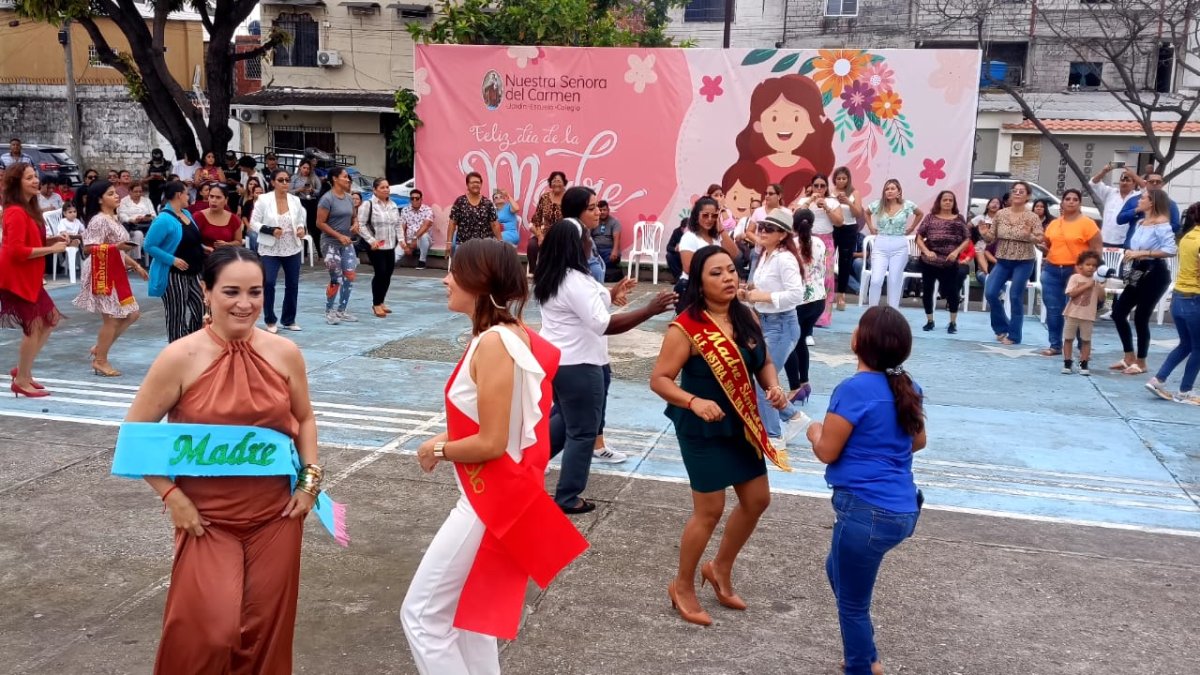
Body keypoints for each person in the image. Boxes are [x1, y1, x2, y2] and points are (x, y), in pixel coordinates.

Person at [120, 246, 334, 674]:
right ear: (207, 291)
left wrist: (310, 481)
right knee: (210, 632)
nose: (245, 304)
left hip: (277, 514)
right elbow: (134, 437)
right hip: (205, 518)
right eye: (231, 292)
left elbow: (305, 418)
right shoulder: (180, 357)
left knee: (265, 631)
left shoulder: (285, 352)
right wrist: (172, 496)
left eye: (255, 292)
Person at [402, 239, 587, 674]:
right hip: (504, 495)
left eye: (454, 272)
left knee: (422, 617)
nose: (446, 280)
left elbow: (491, 442)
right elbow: (498, 420)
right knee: (473, 620)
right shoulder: (514, 335)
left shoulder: (493, 344)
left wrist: (438, 448)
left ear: (478, 281)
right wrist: (447, 437)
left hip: (487, 502)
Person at [650, 245, 791, 627]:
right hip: (702, 428)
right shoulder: (685, 328)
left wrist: (773, 387)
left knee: (757, 500)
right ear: (699, 282)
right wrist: (693, 401)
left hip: (740, 423)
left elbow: (763, 361)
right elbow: (660, 379)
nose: (728, 277)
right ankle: (682, 585)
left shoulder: (746, 316)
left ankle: (719, 568)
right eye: (716, 273)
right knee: (709, 510)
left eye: (731, 270)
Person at [537, 188, 677, 514]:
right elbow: (603, 325)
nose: (592, 240)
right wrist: (650, 310)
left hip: (568, 361)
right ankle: (568, 497)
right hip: (580, 364)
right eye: (587, 237)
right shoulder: (574, 280)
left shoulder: (558, 276)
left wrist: (610, 295)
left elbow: (584, 313)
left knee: (566, 423)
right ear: (575, 245)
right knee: (583, 432)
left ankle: (526, 465)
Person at [806, 305, 925, 675]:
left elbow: (827, 451)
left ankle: (862, 665)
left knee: (852, 605)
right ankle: (867, 656)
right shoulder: (909, 386)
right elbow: (918, 442)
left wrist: (813, 431)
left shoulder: (853, 390)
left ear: (859, 341)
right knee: (837, 570)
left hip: (866, 511)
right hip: (902, 509)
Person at [737, 207, 812, 448]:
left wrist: (762, 296)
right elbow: (763, 288)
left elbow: (796, 295)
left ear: (782, 235)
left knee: (764, 382)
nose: (762, 231)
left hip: (782, 326)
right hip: (765, 322)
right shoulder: (765, 255)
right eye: (761, 227)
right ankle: (792, 416)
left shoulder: (785, 258)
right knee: (761, 378)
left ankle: (774, 436)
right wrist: (749, 293)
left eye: (769, 229)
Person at [0, 164, 68, 398]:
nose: (36, 180)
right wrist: (52, 249)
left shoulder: (29, 208)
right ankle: (21, 379)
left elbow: (31, 242)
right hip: (16, 278)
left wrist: (53, 240)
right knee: (35, 326)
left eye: (35, 176)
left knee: (49, 320)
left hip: (29, 277)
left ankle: (23, 370)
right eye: (29, 178)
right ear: (17, 183)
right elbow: (17, 252)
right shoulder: (15, 212)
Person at [73, 180, 147, 377]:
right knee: (113, 318)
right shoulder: (99, 220)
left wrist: (136, 265)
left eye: (115, 193)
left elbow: (118, 249)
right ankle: (100, 360)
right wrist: (117, 247)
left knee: (132, 313)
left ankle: (100, 348)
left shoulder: (112, 218)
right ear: (100, 199)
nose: (116, 196)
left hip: (115, 269)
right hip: (102, 271)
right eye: (110, 193)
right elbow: (88, 248)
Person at [1110, 189, 1178, 375]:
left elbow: (1170, 250)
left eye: (1142, 198)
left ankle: (1141, 362)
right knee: (1118, 312)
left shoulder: (1161, 223)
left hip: (1155, 272)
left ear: (1152, 202)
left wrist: (1143, 253)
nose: (1139, 200)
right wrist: (1131, 253)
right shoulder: (1141, 222)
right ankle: (1128, 356)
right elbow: (1135, 246)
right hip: (1138, 269)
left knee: (1141, 316)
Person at [1039, 189, 1102, 356]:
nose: (1071, 202)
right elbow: (1047, 246)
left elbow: (1097, 248)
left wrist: (1090, 270)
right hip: (1052, 269)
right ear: (1062, 202)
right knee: (1053, 309)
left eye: (1075, 199)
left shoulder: (1088, 223)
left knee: (1078, 311)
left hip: (1076, 271)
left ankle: (1083, 347)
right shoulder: (1054, 224)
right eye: (1067, 199)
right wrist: (1038, 244)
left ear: (1080, 203)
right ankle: (1055, 345)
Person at [1145, 215, 1200, 404]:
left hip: (1179, 296)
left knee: (1186, 344)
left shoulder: (1187, 237)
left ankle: (1158, 380)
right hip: (1195, 298)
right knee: (1198, 347)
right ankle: (1185, 391)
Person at [981, 181, 1044, 345]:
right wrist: (985, 234)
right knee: (990, 292)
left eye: (1021, 191)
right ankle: (1001, 328)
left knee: (1015, 296)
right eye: (1015, 190)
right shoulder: (1001, 214)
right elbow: (991, 238)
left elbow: (1040, 239)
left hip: (1023, 261)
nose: (1017, 193)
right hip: (1003, 259)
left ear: (1028, 196)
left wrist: (1029, 236)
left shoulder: (1032, 217)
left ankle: (1014, 335)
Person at [145, 181, 206, 342]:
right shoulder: (163, 219)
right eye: (187, 193)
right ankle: (177, 348)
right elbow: (149, 245)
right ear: (179, 195)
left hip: (194, 272)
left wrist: (202, 248)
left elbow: (191, 239)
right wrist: (172, 260)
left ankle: (193, 341)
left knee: (202, 307)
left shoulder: (186, 214)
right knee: (176, 314)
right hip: (174, 274)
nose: (189, 197)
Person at [781, 209, 829, 405]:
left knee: (787, 343)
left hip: (800, 300)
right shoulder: (819, 243)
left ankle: (794, 387)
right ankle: (804, 382)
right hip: (818, 298)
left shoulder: (789, 245)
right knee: (800, 340)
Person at [253, 168, 307, 333]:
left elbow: (300, 220)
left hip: (291, 246)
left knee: (292, 284)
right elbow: (253, 223)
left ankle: (289, 320)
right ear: (273, 182)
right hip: (270, 248)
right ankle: (270, 320)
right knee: (269, 282)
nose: (285, 183)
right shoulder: (263, 199)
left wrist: (300, 229)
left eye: (287, 180)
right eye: (281, 180)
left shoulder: (295, 200)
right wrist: (270, 230)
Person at [914, 191, 971, 334]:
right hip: (929, 261)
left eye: (950, 200)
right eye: (945, 200)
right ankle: (930, 321)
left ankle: (953, 322)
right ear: (939, 201)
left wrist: (956, 252)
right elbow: (919, 237)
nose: (947, 202)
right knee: (928, 290)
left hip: (949, 261)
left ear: (954, 203)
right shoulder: (930, 218)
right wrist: (926, 251)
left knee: (952, 292)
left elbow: (967, 239)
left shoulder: (959, 219)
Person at [792, 174, 843, 327]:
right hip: (805, 240)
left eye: (822, 186)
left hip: (826, 241)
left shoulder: (832, 202)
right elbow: (795, 218)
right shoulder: (803, 201)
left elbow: (839, 222)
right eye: (816, 186)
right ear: (812, 186)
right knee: (804, 275)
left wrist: (826, 207)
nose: (819, 189)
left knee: (826, 277)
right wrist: (809, 201)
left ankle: (823, 317)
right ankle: (801, 311)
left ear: (827, 187)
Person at [864, 179, 922, 309]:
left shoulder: (907, 205)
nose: (889, 191)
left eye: (892, 189)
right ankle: (872, 311)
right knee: (876, 280)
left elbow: (919, 213)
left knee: (894, 280)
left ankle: (893, 311)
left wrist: (912, 228)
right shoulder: (878, 204)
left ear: (899, 191)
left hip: (899, 245)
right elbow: (866, 213)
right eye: (887, 189)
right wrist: (871, 227)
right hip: (881, 244)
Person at [675, 196, 740, 312]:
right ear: (697, 216)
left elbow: (734, 254)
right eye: (705, 215)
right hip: (692, 288)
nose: (710, 219)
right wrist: (716, 276)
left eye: (714, 216)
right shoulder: (690, 237)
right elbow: (688, 268)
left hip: (712, 288)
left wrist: (721, 229)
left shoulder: (717, 238)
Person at [316, 167, 360, 325]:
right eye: (345, 177)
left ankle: (342, 310)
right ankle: (329, 311)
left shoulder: (348, 198)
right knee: (336, 278)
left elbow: (354, 217)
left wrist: (355, 224)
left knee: (350, 276)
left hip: (346, 243)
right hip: (330, 244)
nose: (348, 179)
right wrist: (338, 236)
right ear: (335, 179)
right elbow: (320, 223)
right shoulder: (327, 199)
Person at [359, 177, 402, 318]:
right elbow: (361, 225)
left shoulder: (393, 204)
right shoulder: (368, 204)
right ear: (375, 190)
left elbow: (398, 224)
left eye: (387, 187)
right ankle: (376, 303)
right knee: (380, 272)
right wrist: (371, 240)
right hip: (376, 245)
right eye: (382, 187)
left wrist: (401, 240)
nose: (386, 190)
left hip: (390, 244)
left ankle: (382, 300)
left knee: (388, 273)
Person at [1061, 251, 1105, 376]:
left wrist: (1099, 285)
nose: (1091, 267)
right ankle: (1067, 362)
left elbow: (1102, 298)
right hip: (1072, 314)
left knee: (1086, 340)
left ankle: (1083, 363)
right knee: (1068, 338)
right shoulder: (1075, 278)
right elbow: (1071, 293)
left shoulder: (1097, 281)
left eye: (1094, 265)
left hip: (1088, 316)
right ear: (1080, 266)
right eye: (1088, 264)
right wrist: (1087, 285)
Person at [831, 166, 864, 310]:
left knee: (845, 262)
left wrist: (848, 202)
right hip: (832, 228)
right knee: (828, 261)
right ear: (834, 179)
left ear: (848, 179)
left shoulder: (854, 193)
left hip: (849, 228)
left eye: (844, 178)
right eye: (838, 178)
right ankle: (827, 294)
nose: (841, 181)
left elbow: (858, 214)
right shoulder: (830, 192)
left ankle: (841, 295)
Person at [447, 172, 500, 262]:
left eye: (478, 182)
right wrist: (449, 242)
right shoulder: (460, 201)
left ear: (481, 184)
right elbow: (452, 223)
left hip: (484, 245)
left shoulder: (487, 203)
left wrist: (500, 242)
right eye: (472, 182)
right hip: (464, 245)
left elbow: (494, 224)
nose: (475, 184)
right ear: (467, 185)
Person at [1116, 172, 1181, 245]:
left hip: (1156, 248)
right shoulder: (1134, 200)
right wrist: (1137, 210)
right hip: (1132, 246)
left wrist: (1154, 225)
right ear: (1146, 183)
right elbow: (1119, 220)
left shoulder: (1170, 204)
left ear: (1162, 184)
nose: (1155, 184)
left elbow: (1176, 226)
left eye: (1158, 182)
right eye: (1151, 181)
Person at [1090, 163, 1144, 247]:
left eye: (1128, 180)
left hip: (1126, 241)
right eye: (1122, 180)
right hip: (1106, 240)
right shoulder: (1110, 192)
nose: (1124, 183)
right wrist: (1103, 172)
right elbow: (1093, 184)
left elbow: (1148, 189)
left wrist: (1134, 175)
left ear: (1134, 184)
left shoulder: (1138, 196)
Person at [528, 172, 567, 274]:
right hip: (544, 233)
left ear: (564, 183)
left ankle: (556, 274)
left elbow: (572, 219)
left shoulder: (568, 198)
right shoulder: (544, 197)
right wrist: (540, 236)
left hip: (562, 234)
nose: (556, 183)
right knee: (532, 245)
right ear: (550, 183)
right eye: (554, 181)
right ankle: (534, 273)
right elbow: (536, 218)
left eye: (559, 181)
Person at [195, 184, 243, 253]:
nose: (214, 200)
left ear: (226, 200)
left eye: (218, 197)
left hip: (226, 256)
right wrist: (203, 247)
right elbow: (191, 240)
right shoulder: (197, 216)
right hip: (203, 256)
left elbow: (239, 242)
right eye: (211, 196)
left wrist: (227, 244)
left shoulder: (234, 219)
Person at [399, 188, 434, 270]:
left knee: (424, 236)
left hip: (421, 240)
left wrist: (414, 239)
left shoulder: (427, 210)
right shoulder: (405, 210)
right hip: (408, 241)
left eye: (417, 198)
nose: (414, 200)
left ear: (421, 199)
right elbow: (402, 227)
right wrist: (404, 243)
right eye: (412, 198)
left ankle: (422, 261)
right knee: (395, 254)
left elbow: (425, 226)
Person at [593, 201, 624, 282]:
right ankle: (599, 267)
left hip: (608, 250)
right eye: (600, 210)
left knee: (614, 257)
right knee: (589, 258)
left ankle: (597, 268)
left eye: (604, 210)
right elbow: (588, 237)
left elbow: (617, 239)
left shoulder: (614, 222)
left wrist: (615, 251)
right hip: (596, 250)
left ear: (608, 210)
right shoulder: (593, 221)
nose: (602, 212)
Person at [290, 159, 322, 234]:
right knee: (301, 222)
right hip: (299, 202)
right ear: (300, 167)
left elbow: (319, 191)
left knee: (312, 224)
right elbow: (289, 191)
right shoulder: (295, 177)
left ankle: (313, 238)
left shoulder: (314, 177)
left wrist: (312, 190)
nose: (306, 170)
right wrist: (299, 190)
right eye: (304, 168)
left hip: (311, 202)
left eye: (308, 168)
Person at [665, 217, 687, 283]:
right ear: (681, 228)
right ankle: (678, 277)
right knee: (669, 256)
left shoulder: (694, 232)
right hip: (679, 255)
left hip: (690, 255)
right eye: (684, 229)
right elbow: (668, 247)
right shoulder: (676, 232)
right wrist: (675, 249)